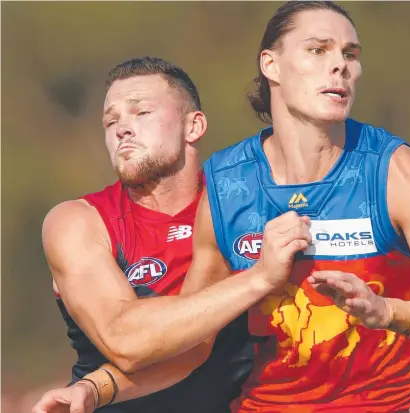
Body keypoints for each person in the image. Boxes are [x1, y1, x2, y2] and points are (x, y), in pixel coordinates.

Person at [33, 0, 410, 411]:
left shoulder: (392, 169)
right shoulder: (227, 185)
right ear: (271, 65)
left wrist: (408, 325)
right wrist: (94, 387)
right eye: (318, 50)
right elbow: (190, 345)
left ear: (194, 126)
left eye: (350, 54)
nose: (339, 66)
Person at [34, 56, 255, 413]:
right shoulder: (78, 221)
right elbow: (127, 342)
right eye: (111, 120)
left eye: (141, 113)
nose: (121, 128)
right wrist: (259, 279)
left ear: (194, 126)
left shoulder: (240, 209)